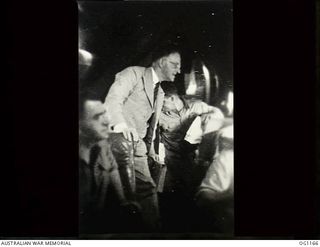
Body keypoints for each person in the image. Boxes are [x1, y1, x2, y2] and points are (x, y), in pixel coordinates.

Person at [104, 44, 181, 231]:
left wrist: (151, 150)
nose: (179, 70)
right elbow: (113, 100)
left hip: (138, 147)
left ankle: (153, 233)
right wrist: (122, 125)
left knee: (146, 189)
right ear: (162, 62)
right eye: (175, 64)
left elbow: (152, 126)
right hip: (117, 142)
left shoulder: (161, 91)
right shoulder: (132, 74)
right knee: (118, 197)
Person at [79, 86, 139, 234]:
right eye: (97, 117)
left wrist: (123, 201)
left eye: (105, 114)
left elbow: (111, 169)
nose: (107, 121)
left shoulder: (102, 145)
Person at [158, 81, 225, 194]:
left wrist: (210, 116)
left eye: (162, 102)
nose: (159, 106)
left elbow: (219, 114)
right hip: (171, 164)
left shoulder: (197, 106)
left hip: (193, 161)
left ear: (172, 98)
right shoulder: (159, 115)